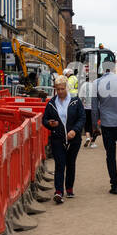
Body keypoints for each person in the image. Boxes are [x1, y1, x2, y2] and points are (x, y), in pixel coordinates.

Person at [41, 74, 84, 203]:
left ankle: (69, 188)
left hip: (73, 139)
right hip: (57, 138)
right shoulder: (51, 103)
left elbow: (82, 118)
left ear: (67, 88)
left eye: (62, 89)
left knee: (70, 163)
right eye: (58, 89)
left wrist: (74, 131)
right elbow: (44, 119)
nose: (60, 92)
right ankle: (58, 191)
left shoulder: (76, 101)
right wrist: (50, 123)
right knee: (60, 164)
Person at [79, 75, 98, 147]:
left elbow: (80, 97)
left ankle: (87, 137)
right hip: (94, 108)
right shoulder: (95, 86)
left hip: (85, 108)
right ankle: (92, 142)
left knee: (87, 123)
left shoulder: (83, 85)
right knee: (94, 125)